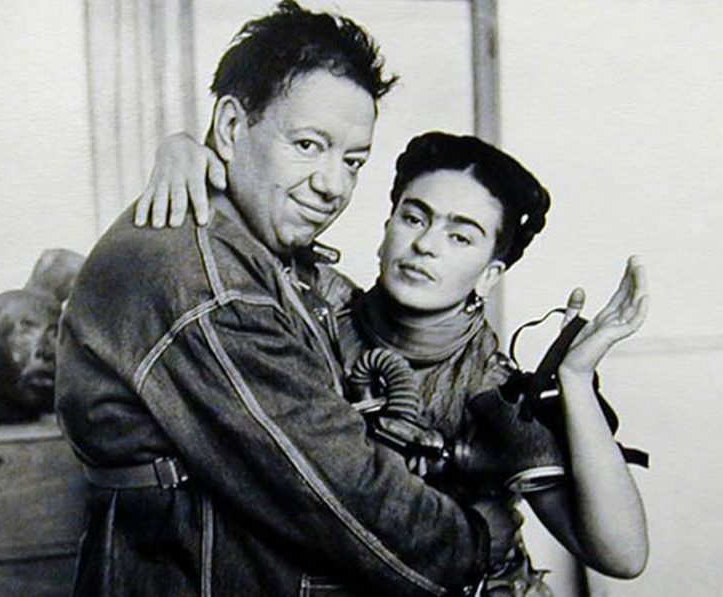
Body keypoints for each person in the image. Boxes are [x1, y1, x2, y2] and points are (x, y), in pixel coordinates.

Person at [56, 3, 498, 596]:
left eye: (353, 161)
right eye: (308, 145)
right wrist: (476, 542)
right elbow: (333, 484)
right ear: (231, 127)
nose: (333, 185)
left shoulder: (249, 245)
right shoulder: (210, 282)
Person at [136, 130, 649, 597]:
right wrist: (186, 153)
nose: (425, 245)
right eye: (414, 217)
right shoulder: (311, 306)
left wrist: (575, 378)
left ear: (489, 275)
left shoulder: (489, 390)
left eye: (460, 236)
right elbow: (227, 240)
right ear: (386, 229)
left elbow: (622, 555)